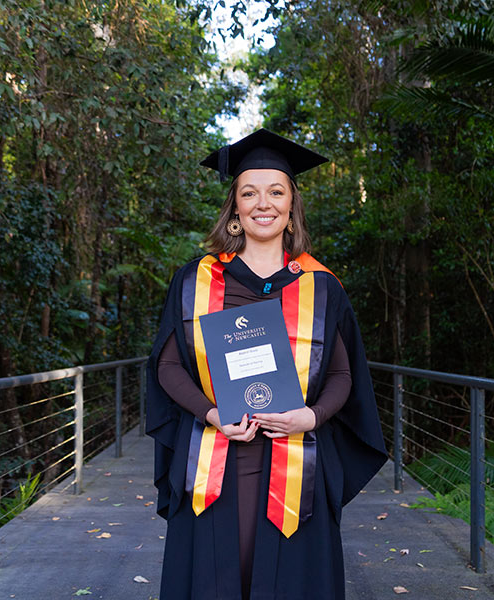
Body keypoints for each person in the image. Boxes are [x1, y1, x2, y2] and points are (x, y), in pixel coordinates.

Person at [146, 129, 387, 600]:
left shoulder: (321, 287)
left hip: (295, 467)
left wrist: (310, 416)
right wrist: (212, 414)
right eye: (249, 192)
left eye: (276, 192)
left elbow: (342, 375)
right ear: (234, 206)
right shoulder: (195, 280)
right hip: (212, 468)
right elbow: (167, 367)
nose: (263, 203)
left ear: (292, 203)